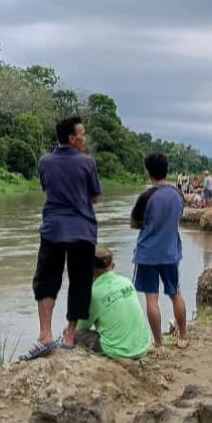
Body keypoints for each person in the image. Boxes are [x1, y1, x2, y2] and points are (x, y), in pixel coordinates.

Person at [28, 115, 102, 359]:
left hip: (53, 229)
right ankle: (69, 337)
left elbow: (47, 188)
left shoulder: (45, 162)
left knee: (46, 280)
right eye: (82, 134)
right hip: (82, 230)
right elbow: (95, 197)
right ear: (72, 138)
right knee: (80, 282)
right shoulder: (87, 163)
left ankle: (45, 333)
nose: (85, 138)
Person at [129, 151, 189, 350]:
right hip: (171, 252)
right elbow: (178, 216)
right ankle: (183, 336)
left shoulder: (146, 196)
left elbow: (134, 224)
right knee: (175, 293)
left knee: (151, 298)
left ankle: (159, 343)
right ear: (167, 170)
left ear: (149, 173)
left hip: (147, 254)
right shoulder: (177, 194)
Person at [75, 247, 152, 360]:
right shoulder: (126, 282)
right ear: (113, 265)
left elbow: (80, 327)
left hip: (119, 352)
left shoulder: (92, 293)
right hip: (143, 346)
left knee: (72, 333)